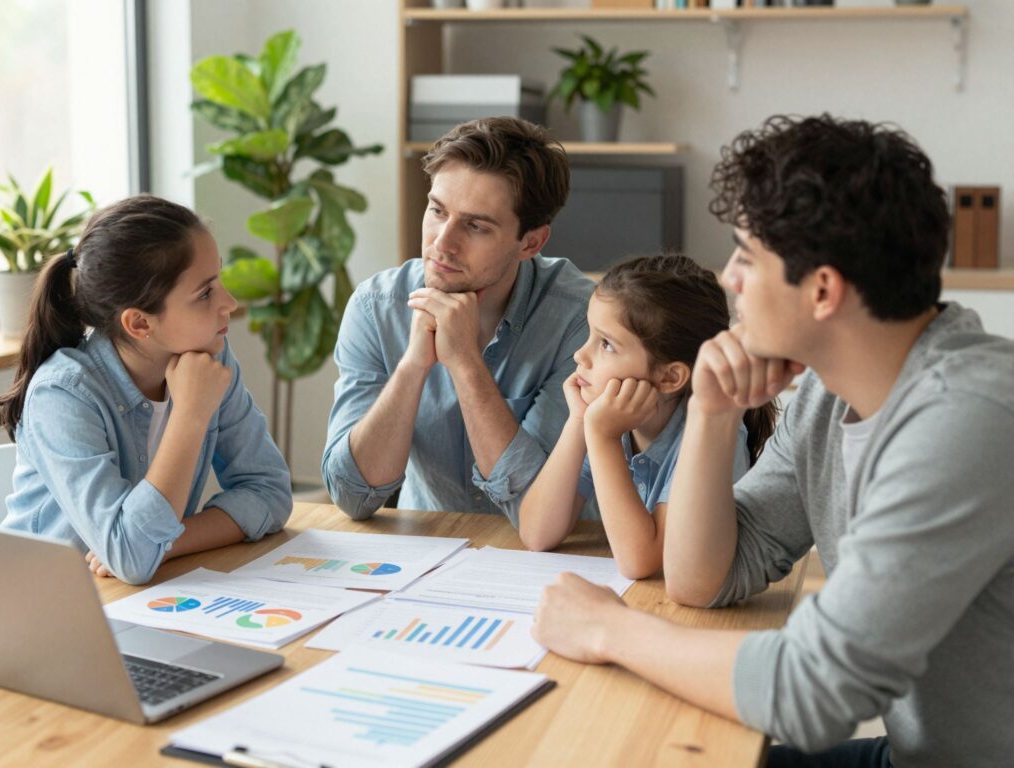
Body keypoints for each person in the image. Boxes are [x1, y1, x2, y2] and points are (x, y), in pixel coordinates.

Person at [531, 114, 1014, 767]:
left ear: (822, 290)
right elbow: (706, 578)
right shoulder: (828, 394)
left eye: (746, 256)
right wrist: (711, 410)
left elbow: (815, 691)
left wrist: (608, 628)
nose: (728, 277)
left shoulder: (966, 419)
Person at [0, 195, 292, 586]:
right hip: (42, 608)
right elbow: (132, 558)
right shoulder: (63, 395)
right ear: (138, 323)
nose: (229, 303)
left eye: (219, 280)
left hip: (138, 599)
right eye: (205, 293)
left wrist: (165, 543)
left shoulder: (210, 360)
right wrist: (190, 414)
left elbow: (270, 492)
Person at [323, 117, 595, 524]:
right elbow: (351, 497)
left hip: (558, 561)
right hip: (431, 552)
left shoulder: (580, 321)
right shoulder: (376, 306)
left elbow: (535, 511)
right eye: (437, 210)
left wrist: (465, 361)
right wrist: (414, 366)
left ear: (531, 242)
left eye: (476, 226)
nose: (442, 243)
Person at [518, 254, 775, 579]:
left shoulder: (708, 437)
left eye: (607, 345)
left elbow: (642, 563)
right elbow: (537, 533)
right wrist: (578, 422)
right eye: (590, 336)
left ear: (669, 378)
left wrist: (601, 436)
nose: (580, 354)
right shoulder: (612, 417)